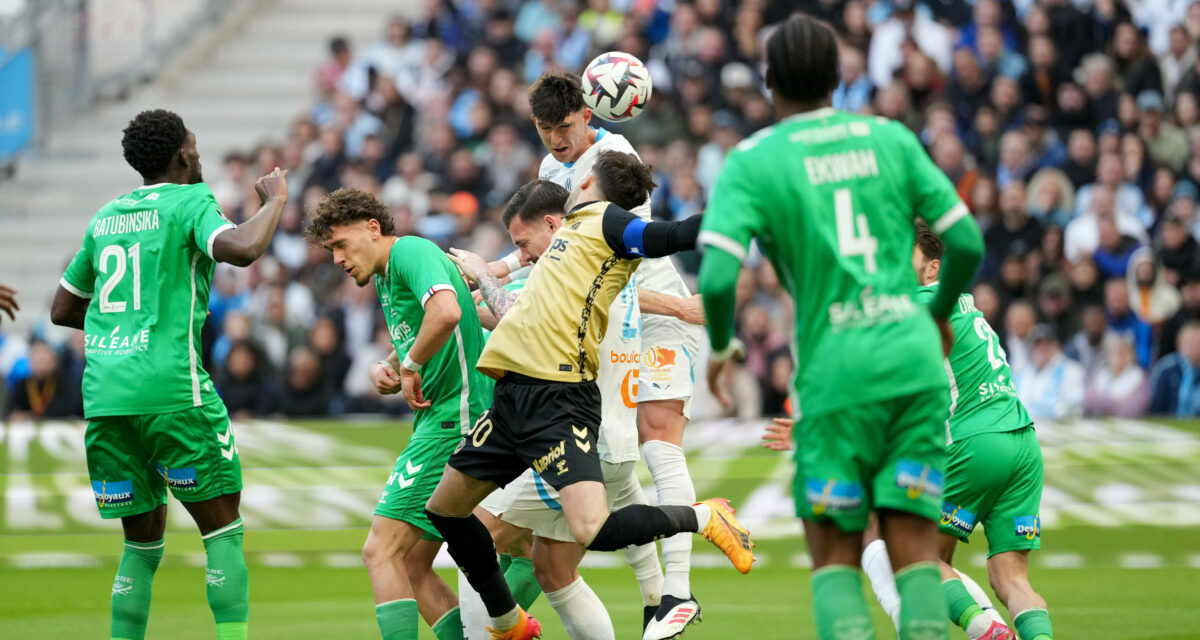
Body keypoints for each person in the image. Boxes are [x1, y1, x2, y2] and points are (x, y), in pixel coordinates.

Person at [698, 15, 984, 640]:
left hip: (837, 373)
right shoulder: (891, 138)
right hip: (911, 366)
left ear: (769, 83)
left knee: (837, 563)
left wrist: (721, 349)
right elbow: (964, 240)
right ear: (837, 78)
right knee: (916, 556)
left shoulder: (751, 160)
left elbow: (718, 280)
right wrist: (934, 316)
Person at [426, 154, 753, 640]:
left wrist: (746, 215)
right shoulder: (568, 239)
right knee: (445, 511)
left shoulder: (605, 221)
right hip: (513, 397)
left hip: (558, 403)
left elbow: (673, 234)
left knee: (591, 530)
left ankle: (704, 517)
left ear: (586, 181)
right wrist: (499, 270)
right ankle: (507, 620)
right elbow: (516, 299)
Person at [49, 109, 289, 640]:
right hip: (172, 389)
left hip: (107, 397)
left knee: (141, 542)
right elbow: (244, 249)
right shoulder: (191, 202)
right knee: (222, 527)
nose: (198, 153)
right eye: (195, 145)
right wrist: (275, 201)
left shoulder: (106, 215)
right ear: (183, 154)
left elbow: (62, 310)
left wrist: (121, 329)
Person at [497, 70, 708, 637]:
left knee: (657, 437)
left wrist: (683, 308)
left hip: (658, 316)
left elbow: (624, 263)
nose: (556, 140)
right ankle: (652, 599)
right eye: (545, 130)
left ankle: (680, 589)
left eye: (564, 127)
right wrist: (501, 267)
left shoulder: (613, 154)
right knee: (613, 454)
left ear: (590, 115)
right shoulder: (550, 172)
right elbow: (560, 248)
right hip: (613, 326)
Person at [457, 180, 666, 640]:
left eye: (523, 244)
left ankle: (698, 524)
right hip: (609, 433)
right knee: (553, 570)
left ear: (554, 224)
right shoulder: (607, 266)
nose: (525, 255)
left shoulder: (565, 272)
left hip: (574, 432)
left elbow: (511, 311)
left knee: (475, 531)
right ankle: (663, 595)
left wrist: (482, 273)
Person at [305, 187, 492, 640]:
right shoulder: (391, 274)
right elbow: (428, 328)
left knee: (380, 551)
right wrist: (390, 364)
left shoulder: (411, 249)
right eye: (330, 250)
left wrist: (408, 365)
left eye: (341, 244)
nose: (337, 259)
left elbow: (446, 312)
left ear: (373, 228)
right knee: (411, 562)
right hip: (449, 418)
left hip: (455, 419)